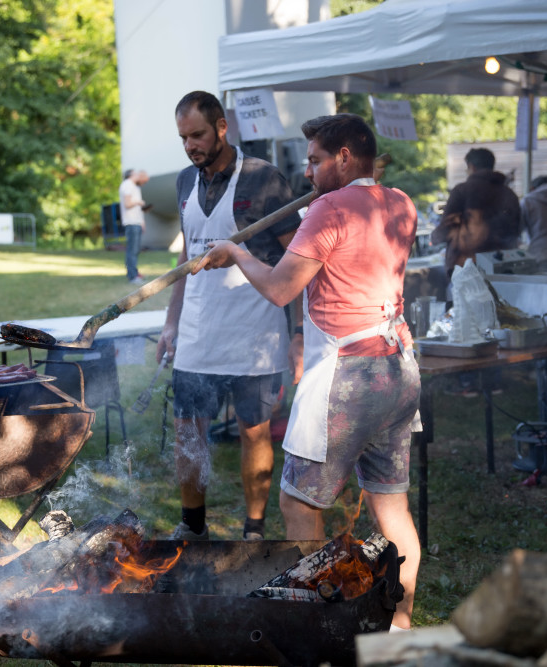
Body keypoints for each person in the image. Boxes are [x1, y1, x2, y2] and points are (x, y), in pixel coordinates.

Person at [193, 113, 422, 631]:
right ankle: (400, 624)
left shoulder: (327, 209)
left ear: (344, 157)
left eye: (316, 160)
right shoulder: (401, 203)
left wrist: (236, 252)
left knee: (299, 503)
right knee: (393, 508)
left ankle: (322, 627)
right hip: (398, 368)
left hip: (347, 374)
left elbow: (279, 288)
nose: (308, 172)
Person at [156, 90, 301, 542]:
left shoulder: (265, 180)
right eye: (183, 138)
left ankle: (254, 528)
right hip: (199, 331)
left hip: (254, 331)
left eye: (197, 134)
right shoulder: (185, 182)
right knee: (188, 433)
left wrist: (297, 335)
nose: (190, 145)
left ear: (222, 127)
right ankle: (192, 523)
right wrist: (172, 322)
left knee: (254, 431)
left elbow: (297, 261)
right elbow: (186, 259)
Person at [430, 147, 520, 274]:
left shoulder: (462, 191)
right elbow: (516, 231)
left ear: (472, 167)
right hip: (502, 266)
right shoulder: (509, 194)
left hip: (467, 268)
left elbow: (448, 227)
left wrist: (434, 237)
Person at [119, 168, 150, 285]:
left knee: (135, 250)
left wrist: (142, 222)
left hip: (136, 222)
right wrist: (139, 202)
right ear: (131, 175)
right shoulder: (127, 185)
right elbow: (127, 204)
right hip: (131, 223)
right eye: (136, 173)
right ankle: (132, 276)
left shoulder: (135, 187)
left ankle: (135, 273)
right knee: (132, 250)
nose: (138, 175)